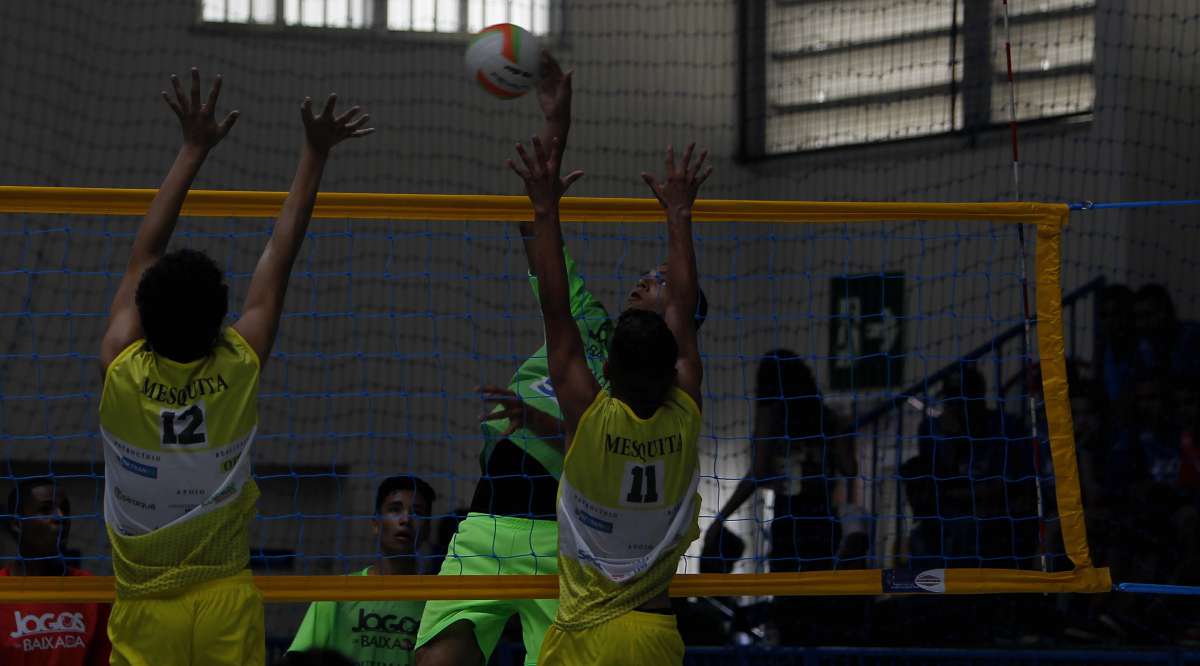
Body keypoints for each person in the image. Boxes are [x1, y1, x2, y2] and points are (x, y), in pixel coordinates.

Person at [414, 53, 706, 666]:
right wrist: (556, 126)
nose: (643, 282)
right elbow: (539, 245)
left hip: (569, 546)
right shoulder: (595, 331)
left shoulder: (634, 393)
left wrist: (536, 420)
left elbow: (559, 295)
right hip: (490, 516)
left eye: (658, 280)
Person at [97, 68, 372, 665]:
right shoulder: (241, 360)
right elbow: (280, 251)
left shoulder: (118, 364)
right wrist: (313, 154)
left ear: (142, 317)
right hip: (224, 597)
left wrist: (192, 149)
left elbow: (144, 253)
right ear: (221, 319)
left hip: (145, 606)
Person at [504, 132, 709, 664]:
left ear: (607, 371)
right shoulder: (685, 411)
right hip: (652, 636)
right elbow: (683, 310)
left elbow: (555, 308)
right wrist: (679, 214)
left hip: (584, 637)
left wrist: (544, 208)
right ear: (674, 370)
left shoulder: (588, 415)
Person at [705, 350, 859, 573]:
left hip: (791, 518)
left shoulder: (772, 417)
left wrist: (721, 517)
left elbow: (757, 473)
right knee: (820, 590)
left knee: (788, 592)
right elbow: (850, 469)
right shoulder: (829, 419)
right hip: (823, 517)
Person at [286, 476, 436, 666]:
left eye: (417, 512)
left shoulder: (436, 603)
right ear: (375, 524)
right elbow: (298, 660)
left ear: (428, 529)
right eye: (395, 510)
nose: (405, 519)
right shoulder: (336, 593)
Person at [0, 478, 111, 664]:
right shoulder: (4, 590)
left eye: (65, 509)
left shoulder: (88, 589)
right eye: (45, 510)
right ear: (17, 524)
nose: (60, 517)